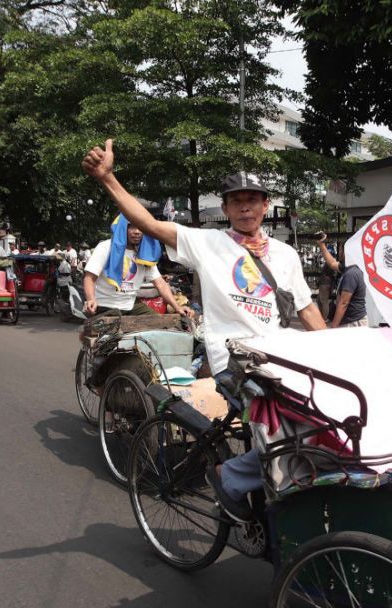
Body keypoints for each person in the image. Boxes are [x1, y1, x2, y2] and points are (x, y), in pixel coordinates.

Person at [83, 139, 326, 522]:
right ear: (227, 208)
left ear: (265, 206)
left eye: (253, 200)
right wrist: (108, 178)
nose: (245, 207)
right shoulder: (207, 243)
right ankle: (231, 476)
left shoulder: (286, 255)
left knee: (332, 413)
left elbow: (307, 309)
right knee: (282, 424)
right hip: (234, 360)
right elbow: (149, 224)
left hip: (281, 355)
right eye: (236, 201)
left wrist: (338, 351)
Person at [82, 218, 187, 317]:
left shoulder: (145, 254)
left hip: (130, 306)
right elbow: (89, 278)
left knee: (159, 324)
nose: (137, 231)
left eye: (141, 227)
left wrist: (177, 307)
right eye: (131, 227)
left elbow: (160, 283)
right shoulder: (106, 247)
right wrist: (91, 299)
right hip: (104, 305)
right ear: (122, 227)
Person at [316, 232, 367, 327]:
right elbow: (332, 263)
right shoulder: (349, 267)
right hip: (352, 320)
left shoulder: (351, 273)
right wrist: (321, 244)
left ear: (346, 252)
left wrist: (334, 325)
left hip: (353, 323)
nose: (339, 252)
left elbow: (343, 303)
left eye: (340, 249)